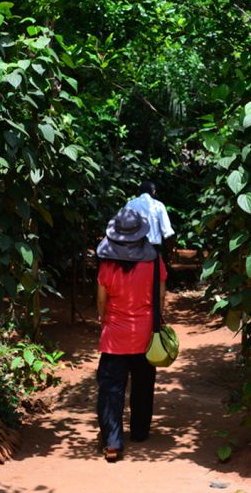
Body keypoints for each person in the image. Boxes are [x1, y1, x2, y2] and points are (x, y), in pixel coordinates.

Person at [95, 207, 168, 462]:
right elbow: (160, 297)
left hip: (115, 336)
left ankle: (113, 442)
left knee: (111, 389)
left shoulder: (107, 265)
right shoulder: (154, 261)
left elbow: (102, 302)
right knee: (143, 384)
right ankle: (139, 432)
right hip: (146, 334)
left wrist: (104, 320)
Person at [123, 181, 175, 253]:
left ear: (139, 192)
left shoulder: (130, 204)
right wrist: (171, 251)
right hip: (152, 248)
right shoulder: (158, 205)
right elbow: (167, 232)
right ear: (153, 192)